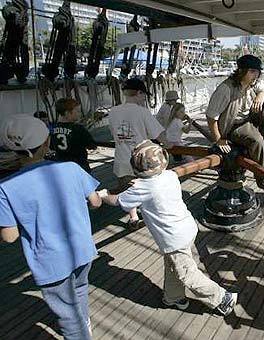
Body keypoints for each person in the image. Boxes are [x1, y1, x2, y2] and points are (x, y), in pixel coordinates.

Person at [97, 140, 238, 316]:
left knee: (187, 274)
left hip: (173, 238)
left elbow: (118, 200)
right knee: (174, 265)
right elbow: (148, 185)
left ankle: (221, 298)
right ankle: (173, 297)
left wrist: (102, 195)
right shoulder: (169, 175)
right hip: (186, 227)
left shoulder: (143, 187)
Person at [0, 115, 102, 340]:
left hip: (50, 261)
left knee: (67, 315)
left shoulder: (5, 188)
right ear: (46, 143)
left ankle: (80, 332)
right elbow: (95, 202)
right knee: (80, 289)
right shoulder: (72, 168)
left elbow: (9, 236)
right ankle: (85, 325)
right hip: (82, 248)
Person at [206, 54, 264, 192]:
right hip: (232, 126)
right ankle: (262, 179)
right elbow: (211, 117)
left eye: (257, 72)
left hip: (248, 120)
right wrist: (219, 140)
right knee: (256, 140)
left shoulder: (253, 84)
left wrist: (262, 94)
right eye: (252, 71)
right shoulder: (226, 89)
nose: (256, 75)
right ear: (241, 71)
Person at [108, 78, 169, 229]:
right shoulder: (142, 112)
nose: (144, 98)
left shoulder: (113, 112)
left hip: (122, 158)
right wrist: (169, 145)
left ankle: (133, 217)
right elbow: (158, 135)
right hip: (142, 160)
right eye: (144, 95)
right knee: (149, 187)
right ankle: (150, 214)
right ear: (139, 93)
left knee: (127, 188)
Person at [51, 98, 97, 173]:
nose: (79, 113)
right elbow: (92, 145)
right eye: (77, 111)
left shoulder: (53, 129)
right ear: (67, 113)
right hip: (79, 167)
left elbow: (52, 146)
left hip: (62, 168)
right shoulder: (78, 129)